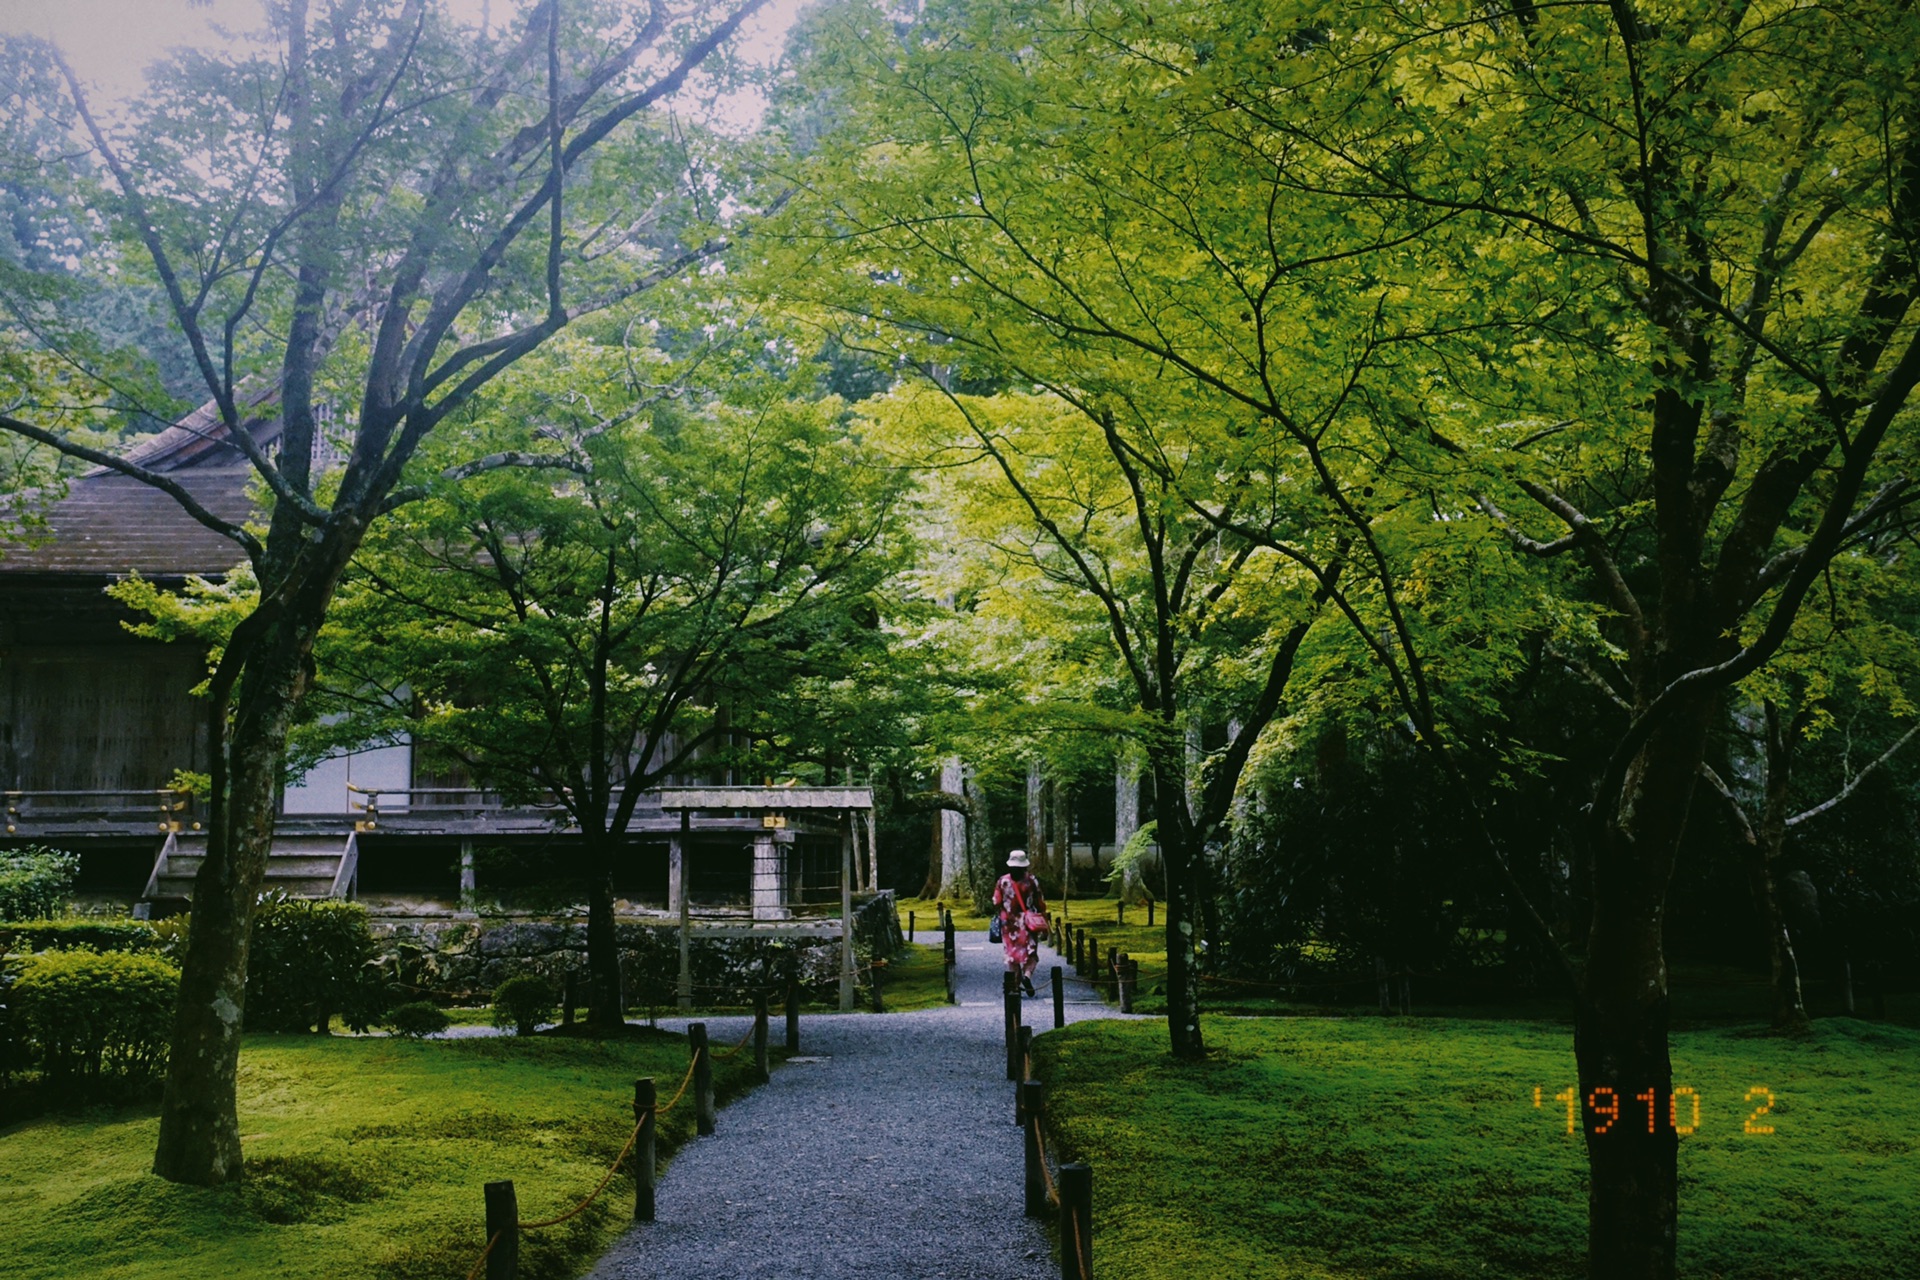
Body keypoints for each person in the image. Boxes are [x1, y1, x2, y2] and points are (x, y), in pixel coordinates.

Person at [993, 849, 1048, 996]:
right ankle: (1027, 976)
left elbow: (996, 901)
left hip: (1008, 924)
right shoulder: (1031, 880)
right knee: (1031, 953)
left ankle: (1014, 987)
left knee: (1013, 956)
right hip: (1028, 923)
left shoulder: (1002, 881)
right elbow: (1040, 903)